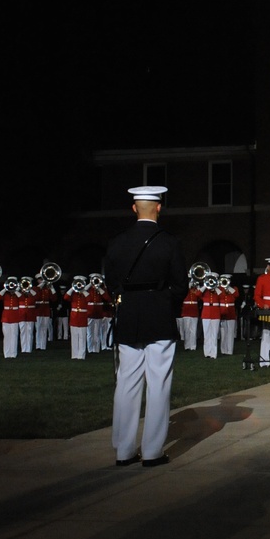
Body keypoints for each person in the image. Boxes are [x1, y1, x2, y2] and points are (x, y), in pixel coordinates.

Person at [103, 184, 189, 466]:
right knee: (158, 384)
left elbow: (111, 282)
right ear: (159, 208)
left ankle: (124, 450)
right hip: (159, 313)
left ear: (133, 208)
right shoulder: (169, 242)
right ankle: (152, 451)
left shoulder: (118, 241)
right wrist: (167, 305)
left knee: (126, 382)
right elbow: (180, 285)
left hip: (129, 313)